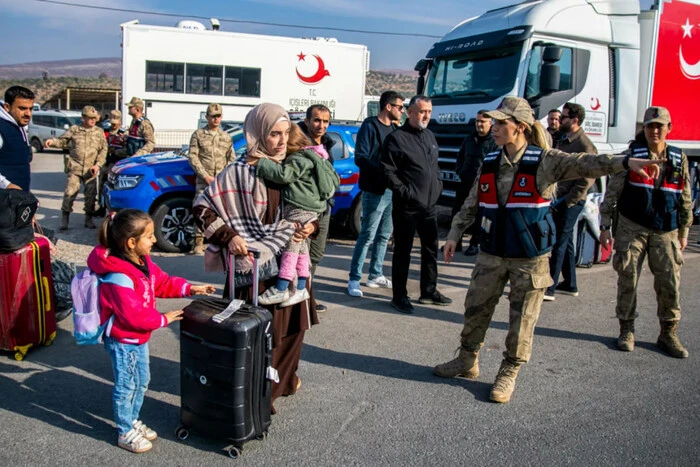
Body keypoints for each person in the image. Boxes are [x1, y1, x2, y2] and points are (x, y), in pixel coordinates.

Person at [434, 96, 665, 404]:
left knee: (523, 317)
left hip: (530, 257)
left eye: (502, 123)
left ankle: (509, 370)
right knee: (476, 307)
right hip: (492, 252)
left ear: (520, 127)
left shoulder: (545, 160)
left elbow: (585, 163)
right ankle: (467, 359)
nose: (495, 128)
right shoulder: (491, 160)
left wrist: (625, 162)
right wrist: (453, 234)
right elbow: (472, 202)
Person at [193, 103, 319, 409]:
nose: (281, 140)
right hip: (254, 271)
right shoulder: (238, 171)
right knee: (260, 336)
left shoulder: (292, 166)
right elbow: (200, 208)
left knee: (292, 330)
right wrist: (230, 236)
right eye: (274, 133)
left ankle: (283, 381)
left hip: (288, 265)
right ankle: (258, 396)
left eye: (286, 133)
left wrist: (310, 226)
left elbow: (315, 206)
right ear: (258, 133)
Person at [86, 209, 215, 453]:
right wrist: (163, 318)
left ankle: (132, 419)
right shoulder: (118, 276)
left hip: (138, 338)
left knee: (141, 381)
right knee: (127, 385)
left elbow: (162, 282)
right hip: (123, 340)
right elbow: (132, 315)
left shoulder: (142, 262)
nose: (154, 240)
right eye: (149, 236)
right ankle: (125, 430)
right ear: (131, 242)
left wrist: (190, 289)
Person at [599, 106, 691, 358]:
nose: (655, 130)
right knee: (627, 279)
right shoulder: (632, 156)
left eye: (660, 126)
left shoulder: (678, 158)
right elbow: (613, 192)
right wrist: (605, 225)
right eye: (650, 126)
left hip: (666, 230)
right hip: (632, 227)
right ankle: (626, 329)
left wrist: (684, 230)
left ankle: (668, 332)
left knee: (669, 283)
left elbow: (685, 197)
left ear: (669, 129)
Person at [381, 95, 453, 314]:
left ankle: (429, 290)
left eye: (429, 112)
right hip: (407, 206)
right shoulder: (397, 138)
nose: (426, 116)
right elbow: (387, 170)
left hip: (429, 205)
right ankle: (399, 296)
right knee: (403, 251)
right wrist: (405, 192)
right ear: (410, 112)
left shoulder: (430, 135)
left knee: (431, 249)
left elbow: (434, 166)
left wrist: (438, 185)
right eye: (422, 111)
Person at [255, 124, 339, 306]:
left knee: (291, 246)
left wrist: (260, 162)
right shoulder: (313, 154)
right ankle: (301, 288)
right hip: (310, 208)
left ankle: (281, 287)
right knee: (301, 250)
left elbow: (284, 175)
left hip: (299, 208)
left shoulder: (298, 158)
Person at [346, 90, 404, 297]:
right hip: (374, 189)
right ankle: (354, 278)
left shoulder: (396, 130)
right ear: (388, 106)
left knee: (384, 234)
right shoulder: (370, 126)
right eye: (399, 107)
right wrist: (384, 171)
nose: (402, 110)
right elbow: (360, 157)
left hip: (391, 190)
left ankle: (375, 274)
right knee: (367, 234)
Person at [543, 102, 597, 301]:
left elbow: (586, 179)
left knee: (558, 241)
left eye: (564, 117)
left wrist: (568, 201)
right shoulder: (564, 140)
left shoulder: (585, 146)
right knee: (566, 241)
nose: (560, 120)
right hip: (559, 198)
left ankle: (548, 288)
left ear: (575, 121)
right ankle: (570, 283)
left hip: (571, 201)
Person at [298, 104, 335, 312]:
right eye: (317, 120)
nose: (321, 125)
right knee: (299, 254)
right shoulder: (299, 144)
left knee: (316, 254)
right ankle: (302, 297)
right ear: (307, 121)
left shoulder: (327, 144)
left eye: (325, 121)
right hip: (305, 207)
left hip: (325, 207)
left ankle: (307, 294)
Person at [46, 105, 108, 230]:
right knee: (70, 193)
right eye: (90, 118)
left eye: (94, 118)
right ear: (83, 118)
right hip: (75, 167)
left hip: (91, 169)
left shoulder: (99, 132)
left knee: (91, 195)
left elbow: (103, 150)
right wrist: (52, 142)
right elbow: (63, 141)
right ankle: (65, 218)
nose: (93, 120)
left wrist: (98, 165)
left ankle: (88, 219)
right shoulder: (75, 130)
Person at [188, 103, 234, 254]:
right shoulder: (198, 135)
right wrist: (205, 176)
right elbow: (193, 156)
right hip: (204, 180)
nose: (216, 119)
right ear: (207, 117)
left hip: (221, 182)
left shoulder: (226, 137)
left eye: (218, 116)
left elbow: (231, 159)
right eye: (213, 116)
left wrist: (223, 177)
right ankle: (197, 242)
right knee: (199, 209)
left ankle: (219, 240)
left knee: (221, 212)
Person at [452, 110, 497, 256]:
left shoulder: (494, 142)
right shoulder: (469, 139)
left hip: (484, 184)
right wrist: (460, 170)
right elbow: (460, 156)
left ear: (490, 123)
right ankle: (456, 242)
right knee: (458, 210)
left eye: (482, 122)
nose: (478, 124)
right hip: (465, 181)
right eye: (477, 121)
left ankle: (474, 244)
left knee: (479, 215)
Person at [0, 85, 35, 191]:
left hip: (16, 199)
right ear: (7, 107)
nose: (28, 114)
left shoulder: (18, 126)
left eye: (31, 109)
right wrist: (6, 184)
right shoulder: (2, 128)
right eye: (22, 108)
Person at [96, 109, 126, 217]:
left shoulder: (123, 133)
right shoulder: (105, 131)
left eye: (115, 123)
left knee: (113, 188)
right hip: (105, 162)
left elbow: (127, 151)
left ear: (120, 121)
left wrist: (115, 151)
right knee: (101, 186)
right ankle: (101, 207)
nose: (113, 125)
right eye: (112, 123)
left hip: (116, 164)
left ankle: (113, 210)